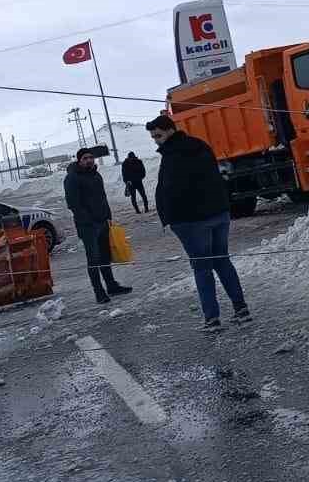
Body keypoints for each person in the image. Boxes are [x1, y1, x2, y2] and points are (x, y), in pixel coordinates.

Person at [148, 116, 249, 331]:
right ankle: (242, 310)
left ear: (170, 131)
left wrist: (170, 218)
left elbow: (172, 190)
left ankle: (212, 320)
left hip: (192, 221)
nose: (156, 141)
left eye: (158, 135)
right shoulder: (200, 145)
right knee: (222, 261)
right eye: (153, 137)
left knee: (202, 268)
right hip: (219, 213)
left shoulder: (173, 154)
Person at [64, 147, 133, 305]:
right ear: (79, 160)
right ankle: (99, 292)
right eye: (85, 158)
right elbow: (73, 203)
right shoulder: (72, 178)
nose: (89, 160)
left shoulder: (96, 175)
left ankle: (111, 286)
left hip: (103, 222)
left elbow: (102, 197)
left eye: (91, 157)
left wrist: (108, 217)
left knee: (104, 256)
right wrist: (88, 220)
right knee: (93, 259)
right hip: (88, 226)